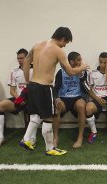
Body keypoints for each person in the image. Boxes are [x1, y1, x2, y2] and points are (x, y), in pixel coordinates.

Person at [20, 27, 88, 156]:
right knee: (50, 117)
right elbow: (70, 71)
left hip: (33, 86)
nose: (64, 46)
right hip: (44, 87)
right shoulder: (58, 51)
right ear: (62, 38)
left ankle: (31, 141)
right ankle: (43, 145)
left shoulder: (37, 45)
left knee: (36, 115)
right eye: (65, 43)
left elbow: (27, 61)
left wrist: (27, 81)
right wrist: (82, 67)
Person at [0, 48, 37, 149]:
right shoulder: (14, 72)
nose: (19, 60)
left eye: (22, 58)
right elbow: (12, 90)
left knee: (33, 108)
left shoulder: (35, 70)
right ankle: (0, 137)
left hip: (32, 98)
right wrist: (19, 99)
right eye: (18, 58)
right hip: (19, 99)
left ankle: (32, 138)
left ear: (28, 58)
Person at [53, 51, 89, 148]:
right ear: (71, 62)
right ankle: (55, 137)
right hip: (63, 98)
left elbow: (86, 88)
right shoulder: (61, 72)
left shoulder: (82, 72)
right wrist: (57, 99)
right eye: (78, 60)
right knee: (56, 108)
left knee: (81, 106)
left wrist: (82, 73)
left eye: (80, 60)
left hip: (77, 98)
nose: (80, 62)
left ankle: (80, 137)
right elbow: (55, 89)